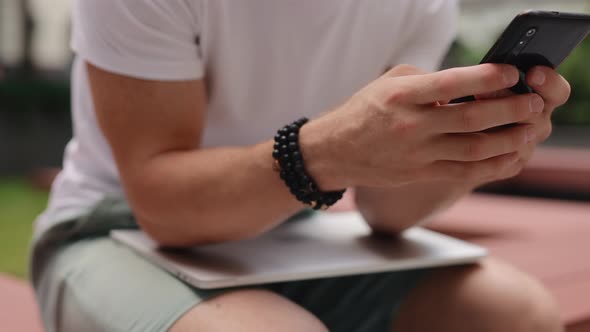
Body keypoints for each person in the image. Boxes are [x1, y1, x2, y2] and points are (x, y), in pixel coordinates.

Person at [31, 1, 571, 331]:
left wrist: (467, 152)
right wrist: (322, 153)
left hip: (291, 233)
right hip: (112, 229)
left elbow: (387, 211)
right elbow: (161, 205)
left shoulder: (422, 4)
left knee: (519, 316)